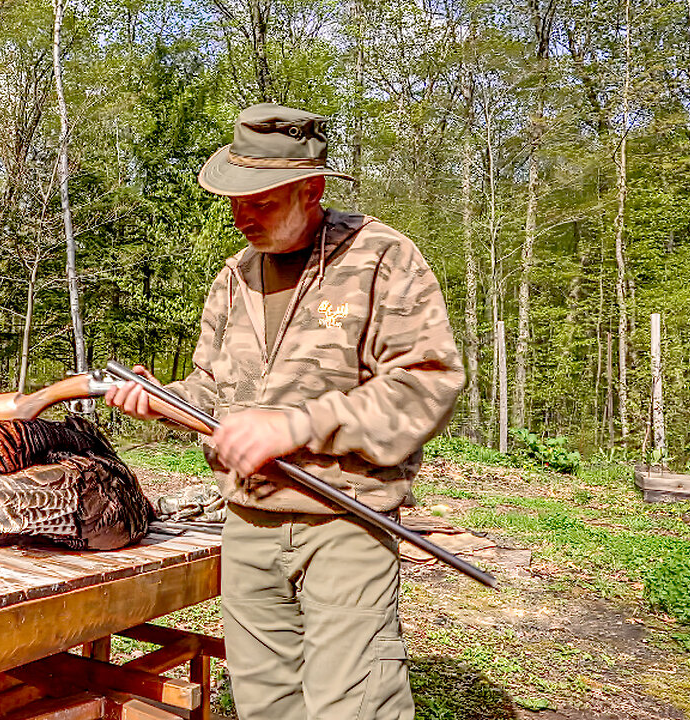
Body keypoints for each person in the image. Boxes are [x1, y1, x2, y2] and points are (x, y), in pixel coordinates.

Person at [105, 103, 464, 720]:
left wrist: (297, 424)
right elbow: (213, 391)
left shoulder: (382, 258)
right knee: (265, 704)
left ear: (312, 188)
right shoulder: (234, 277)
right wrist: (164, 400)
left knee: (353, 707)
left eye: (262, 201)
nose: (243, 214)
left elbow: (426, 384)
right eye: (235, 198)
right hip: (247, 525)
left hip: (344, 523)